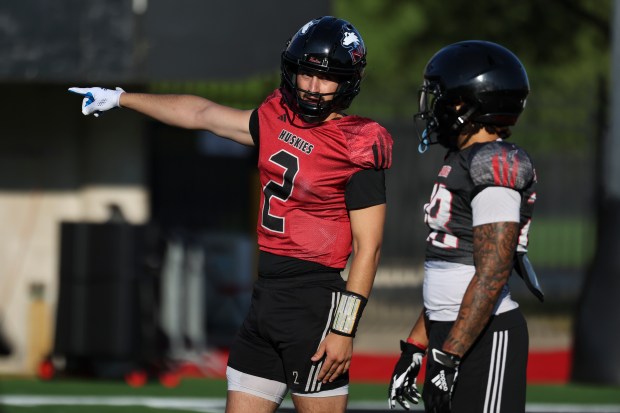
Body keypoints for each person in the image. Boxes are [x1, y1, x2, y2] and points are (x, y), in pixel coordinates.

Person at [69, 16, 392, 413]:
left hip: (314, 302)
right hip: (265, 299)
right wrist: (120, 98)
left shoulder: (357, 143)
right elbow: (202, 113)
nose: (312, 87)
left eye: (326, 78)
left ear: (348, 81)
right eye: (306, 73)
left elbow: (369, 248)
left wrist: (344, 328)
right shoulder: (275, 116)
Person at [387, 40, 539, 413]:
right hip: (454, 332)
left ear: (472, 101)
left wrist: (451, 352)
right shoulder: (463, 159)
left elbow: (491, 272)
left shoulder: (494, 161)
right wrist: (417, 345)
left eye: (445, 97)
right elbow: (449, 275)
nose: (435, 107)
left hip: (483, 337)